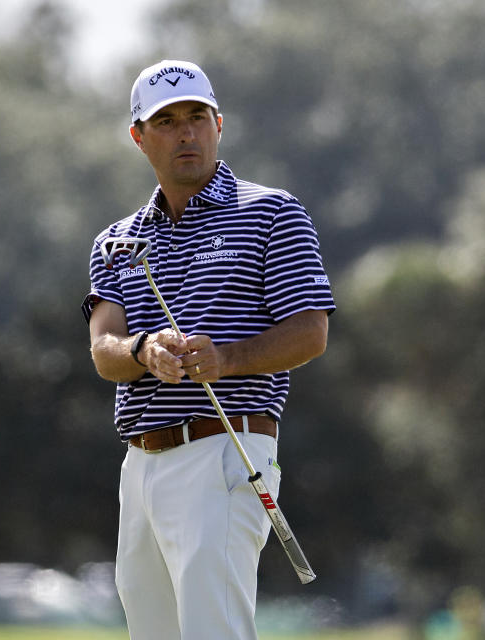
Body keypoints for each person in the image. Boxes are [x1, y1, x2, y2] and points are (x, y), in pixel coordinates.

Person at [82, 59, 336, 640]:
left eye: (197, 117)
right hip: (140, 465)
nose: (186, 132)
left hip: (225, 451)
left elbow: (310, 332)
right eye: (166, 121)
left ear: (219, 124)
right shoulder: (116, 241)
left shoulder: (271, 212)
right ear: (139, 137)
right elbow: (103, 348)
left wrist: (227, 359)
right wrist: (144, 349)